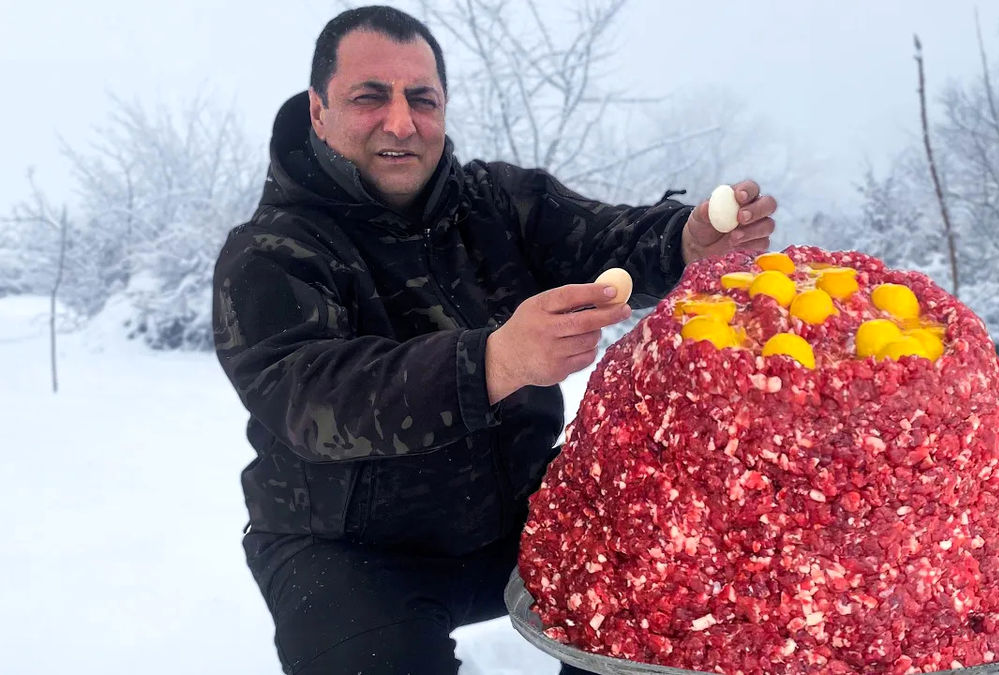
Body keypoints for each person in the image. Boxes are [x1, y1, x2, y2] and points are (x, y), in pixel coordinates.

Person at [211, 6, 777, 674]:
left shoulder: (499, 202)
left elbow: (604, 240)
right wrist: (493, 361)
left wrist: (684, 239)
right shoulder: (269, 253)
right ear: (318, 111)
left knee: (672, 595)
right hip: (344, 545)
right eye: (370, 97)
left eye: (422, 99)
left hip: (517, 510)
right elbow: (315, 398)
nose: (401, 122)